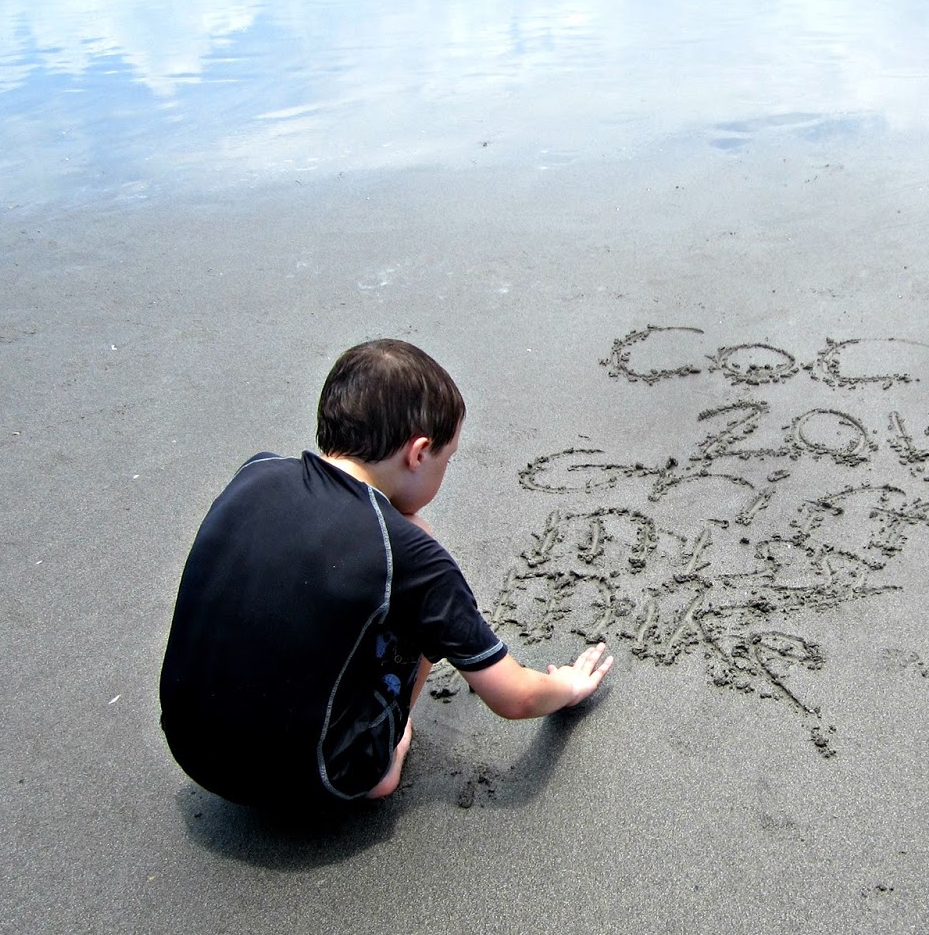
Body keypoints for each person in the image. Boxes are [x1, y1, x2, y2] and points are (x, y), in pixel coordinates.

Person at [159, 339, 613, 808]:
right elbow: (514, 696)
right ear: (418, 453)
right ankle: (379, 761)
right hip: (313, 777)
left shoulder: (256, 473)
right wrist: (568, 687)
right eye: (448, 458)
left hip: (193, 751)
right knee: (412, 594)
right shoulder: (409, 556)